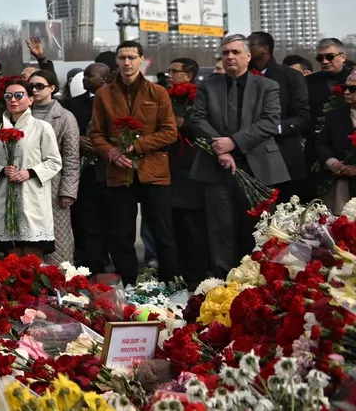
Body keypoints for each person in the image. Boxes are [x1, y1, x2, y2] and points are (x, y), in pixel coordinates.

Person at [186, 34, 287, 273]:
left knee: (261, 230)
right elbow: (197, 119)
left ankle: (261, 281)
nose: (230, 57)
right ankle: (224, 282)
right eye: (226, 53)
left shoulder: (267, 86)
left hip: (259, 168)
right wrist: (220, 149)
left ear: (248, 56)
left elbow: (270, 122)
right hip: (217, 169)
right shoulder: (208, 86)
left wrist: (233, 143)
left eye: (236, 52)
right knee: (220, 230)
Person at [86, 41, 181, 285]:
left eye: (131, 57)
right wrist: (113, 153)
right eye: (122, 58)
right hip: (119, 172)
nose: (126, 62)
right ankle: (128, 284)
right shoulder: (104, 95)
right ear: (116, 62)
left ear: (141, 60)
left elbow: (170, 132)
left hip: (154, 171)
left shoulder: (157, 92)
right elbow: (96, 134)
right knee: (121, 234)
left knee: (164, 232)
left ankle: (170, 282)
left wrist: (136, 146)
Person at [0, 77, 62, 258]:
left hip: (32, 197)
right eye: (8, 96)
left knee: (33, 256)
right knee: (12, 256)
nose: (13, 100)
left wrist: (29, 173)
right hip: (5, 196)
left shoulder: (42, 127)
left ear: (31, 100)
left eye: (19, 95)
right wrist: (2, 170)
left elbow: (54, 161)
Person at [246, 31, 312, 197]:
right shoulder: (241, 76)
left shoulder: (290, 76)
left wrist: (273, 128)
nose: (245, 50)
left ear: (265, 48)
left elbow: (302, 116)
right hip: (247, 153)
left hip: (282, 151)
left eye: (249, 45)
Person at [24, 69, 80, 264]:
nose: (35, 90)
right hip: (24, 184)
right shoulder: (20, 114)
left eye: (40, 86)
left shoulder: (65, 117)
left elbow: (71, 157)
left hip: (54, 186)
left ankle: (61, 287)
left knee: (59, 239)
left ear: (52, 88)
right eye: (31, 86)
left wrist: (68, 191)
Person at [66, 63, 111, 272]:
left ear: (103, 79)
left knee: (113, 223)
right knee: (87, 223)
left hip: (111, 170)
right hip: (86, 173)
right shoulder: (74, 104)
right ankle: (92, 267)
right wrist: (78, 141)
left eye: (89, 76)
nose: (83, 79)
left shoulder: (116, 101)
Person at [315, 67, 356, 207]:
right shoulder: (335, 116)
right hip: (342, 186)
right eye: (345, 87)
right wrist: (332, 162)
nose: (346, 92)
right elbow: (321, 144)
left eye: (352, 89)